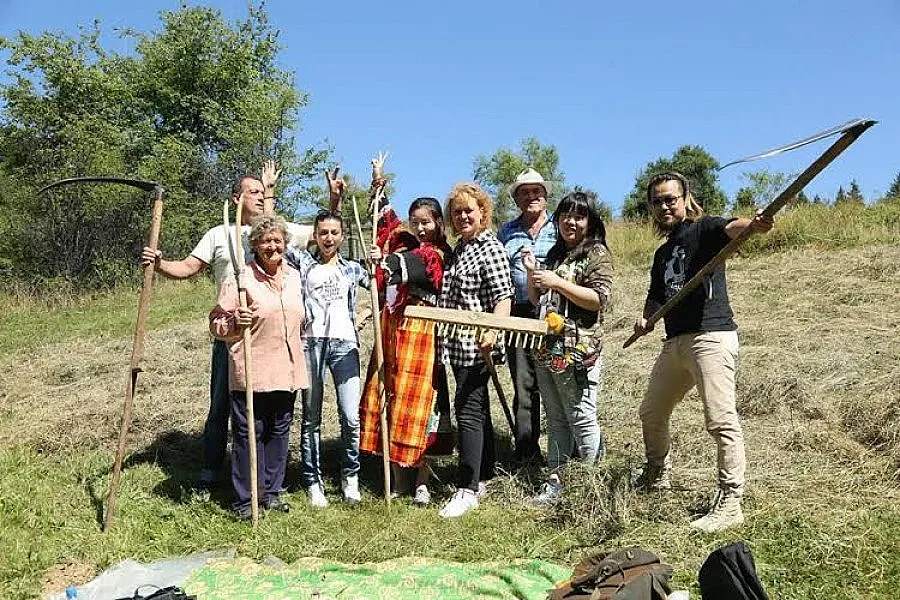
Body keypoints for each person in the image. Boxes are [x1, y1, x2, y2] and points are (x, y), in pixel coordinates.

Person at [140, 162, 342, 490]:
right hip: (232, 333)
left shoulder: (277, 231)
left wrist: (333, 202)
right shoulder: (219, 234)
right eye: (254, 193)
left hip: (272, 340)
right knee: (222, 405)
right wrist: (159, 263)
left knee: (271, 415)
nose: (261, 197)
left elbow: (320, 233)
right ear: (237, 198)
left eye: (265, 193)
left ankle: (264, 483)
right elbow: (189, 267)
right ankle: (210, 471)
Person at [633, 171, 774, 533]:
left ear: (684, 199)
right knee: (651, 411)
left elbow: (735, 229)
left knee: (720, 419)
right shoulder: (663, 252)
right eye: (657, 201)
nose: (664, 206)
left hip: (711, 336)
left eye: (670, 199)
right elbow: (656, 296)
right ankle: (657, 474)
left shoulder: (704, 229)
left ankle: (730, 500)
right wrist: (646, 319)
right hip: (675, 340)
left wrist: (755, 225)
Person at [208, 215, 308, 519]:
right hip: (252, 369)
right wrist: (235, 322)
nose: (272, 246)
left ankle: (271, 493)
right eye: (266, 241)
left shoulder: (293, 276)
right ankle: (245, 501)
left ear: (285, 244)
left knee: (278, 433)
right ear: (254, 245)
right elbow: (216, 323)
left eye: (277, 240)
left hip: (287, 368)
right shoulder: (241, 279)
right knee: (249, 433)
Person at [521, 190, 613, 506]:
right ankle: (556, 483)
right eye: (565, 215)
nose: (570, 221)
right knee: (556, 418)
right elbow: (537, 301)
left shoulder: (596, 254)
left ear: (590, 221)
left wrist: (558, 283)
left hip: (578, 350)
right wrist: (534, 273)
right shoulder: (556, 255)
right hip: (547, 349)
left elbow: (599, 299)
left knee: (581, 415)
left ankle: (591, 486)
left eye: (579, 216)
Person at [360, 196, 454, 506]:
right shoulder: (408, 243)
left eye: (426, 222)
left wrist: (385, 261)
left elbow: (415, 266)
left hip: (422, 335)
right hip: (393, 330)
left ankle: (423, 482)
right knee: (391, 397)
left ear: (438, 222)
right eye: (416, 222)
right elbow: (389, 227)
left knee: (420, 404)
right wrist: (380, 193)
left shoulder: (438, 253)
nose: (420, 228)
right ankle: (398, 477)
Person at [437, 182, 514, 518]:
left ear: (483, 212)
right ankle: (484, 475)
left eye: (469, 210)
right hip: (454, 345)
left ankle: (466, 488)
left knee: (467, 410)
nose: (463, 216)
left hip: (477, 345)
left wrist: (494, 330)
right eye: (457, 212)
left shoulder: (490, 248)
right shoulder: (459, 250)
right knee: (477, 409)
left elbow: (503, 297)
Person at [286, 209, 369, 507]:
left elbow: (383, 288)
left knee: (350, 416)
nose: (328, 238)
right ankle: (313, 482)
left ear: (343, 236)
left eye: (334, 233)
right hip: (312, 343)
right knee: (311, 417)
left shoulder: (353, 269)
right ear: (316, 235)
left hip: (345, 344)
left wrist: (365, 312)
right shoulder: (304, 262)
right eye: (323, 233)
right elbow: (279, 240)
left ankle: (351, 478)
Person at [498, 168, 558, 465]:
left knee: (558, 379)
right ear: (517, 199)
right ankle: (526, 451)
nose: (531, 196)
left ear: (545, 196)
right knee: (524, 384)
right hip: (518, 312)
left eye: (537, 191)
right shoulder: (506, 232)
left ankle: (566, 450)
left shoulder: (560, 226)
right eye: (525, 192)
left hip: (554, 313)